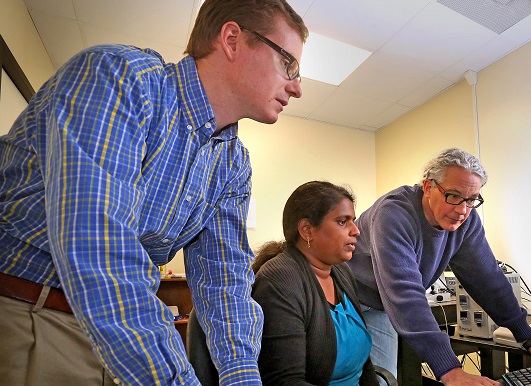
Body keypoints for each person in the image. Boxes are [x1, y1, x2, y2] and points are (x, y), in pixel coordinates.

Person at [0, 0, 307, 384]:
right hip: (29, 313)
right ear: (232, 39)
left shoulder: (233, 163)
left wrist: (242, 378)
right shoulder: (119, 78)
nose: (296, 87)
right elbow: (98, 246)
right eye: (288, 64)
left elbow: (224, 281)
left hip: (125, 331)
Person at [348, 147, 531, 386]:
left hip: (381, 306)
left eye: (471, 199)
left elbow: (488, 279)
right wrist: (450, 370)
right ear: (428, 187)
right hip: (347, 300)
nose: (462, 210)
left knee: (380, 382)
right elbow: (405, 293)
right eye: (454, 196)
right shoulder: (393, 213)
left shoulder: (466, 222)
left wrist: (529, 339)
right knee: (344, 376)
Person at [251, 181, 379, 385]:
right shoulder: (279, 281)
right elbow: (285, 381)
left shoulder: (341, 272)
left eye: (353, 220)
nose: (356, 230)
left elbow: (364, 366)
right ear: (307, 230)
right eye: (342, 222)